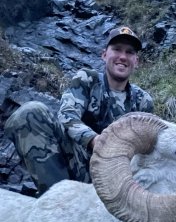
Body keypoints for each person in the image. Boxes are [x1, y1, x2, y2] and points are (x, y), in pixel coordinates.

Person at [4, 26, 154, 197]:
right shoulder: (87, 79)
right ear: (104, 54)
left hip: (117, 176)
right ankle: (58, 201)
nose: (122, 56)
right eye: (117, 49)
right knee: (30, 112)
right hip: (79, 165)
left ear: (136, 61)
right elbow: (67, 115)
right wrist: (95, 140)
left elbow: (148, 152)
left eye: (129, 52)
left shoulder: (143, 101)